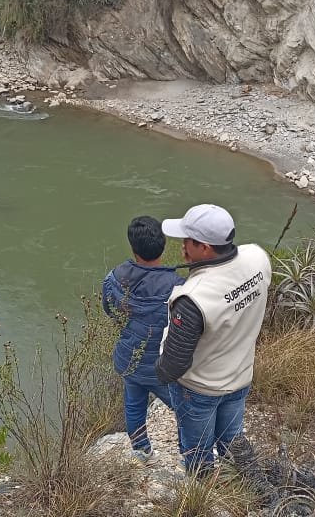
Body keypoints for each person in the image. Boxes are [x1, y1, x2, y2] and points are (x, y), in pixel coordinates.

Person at [154, 204, 273, 475]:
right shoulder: (257, 258)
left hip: (199, 389)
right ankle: (248, 486)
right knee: (232, 442)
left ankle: (204, 493)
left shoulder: (193, 296)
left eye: (187, 240)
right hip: (240, 376)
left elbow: (174, 365)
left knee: (197, 451)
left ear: (205, 248)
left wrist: (156, 373)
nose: (182, 246)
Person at [102, 216, 185, 463]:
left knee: (134, 404)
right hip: (164, 365)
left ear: (133, 247)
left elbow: (109, 309)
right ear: (163, 245)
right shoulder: (178, 286)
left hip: (130, 358)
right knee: (184, 409)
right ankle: (189, 453)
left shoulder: (115, 277)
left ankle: (141, 449)